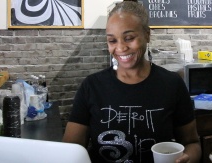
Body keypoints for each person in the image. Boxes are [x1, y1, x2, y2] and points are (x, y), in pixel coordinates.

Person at [62, 1, 201, 163]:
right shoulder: (91, 86)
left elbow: (192, 143)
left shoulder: (172, 84)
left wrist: (188, 158)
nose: (120, 48)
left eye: (129, 38)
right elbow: (70, 152)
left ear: (147, 35)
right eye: (112, 41)